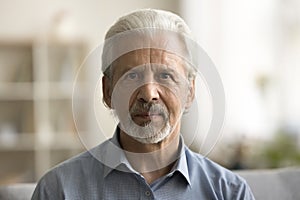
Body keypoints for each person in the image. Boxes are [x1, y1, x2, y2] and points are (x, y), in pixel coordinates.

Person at [32, 8, 255, 199]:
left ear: (190, 91)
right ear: (107, 91)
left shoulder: (230, 193)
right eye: (132, 76)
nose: (148, 94)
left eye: (165, 76)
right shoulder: (57, 190)